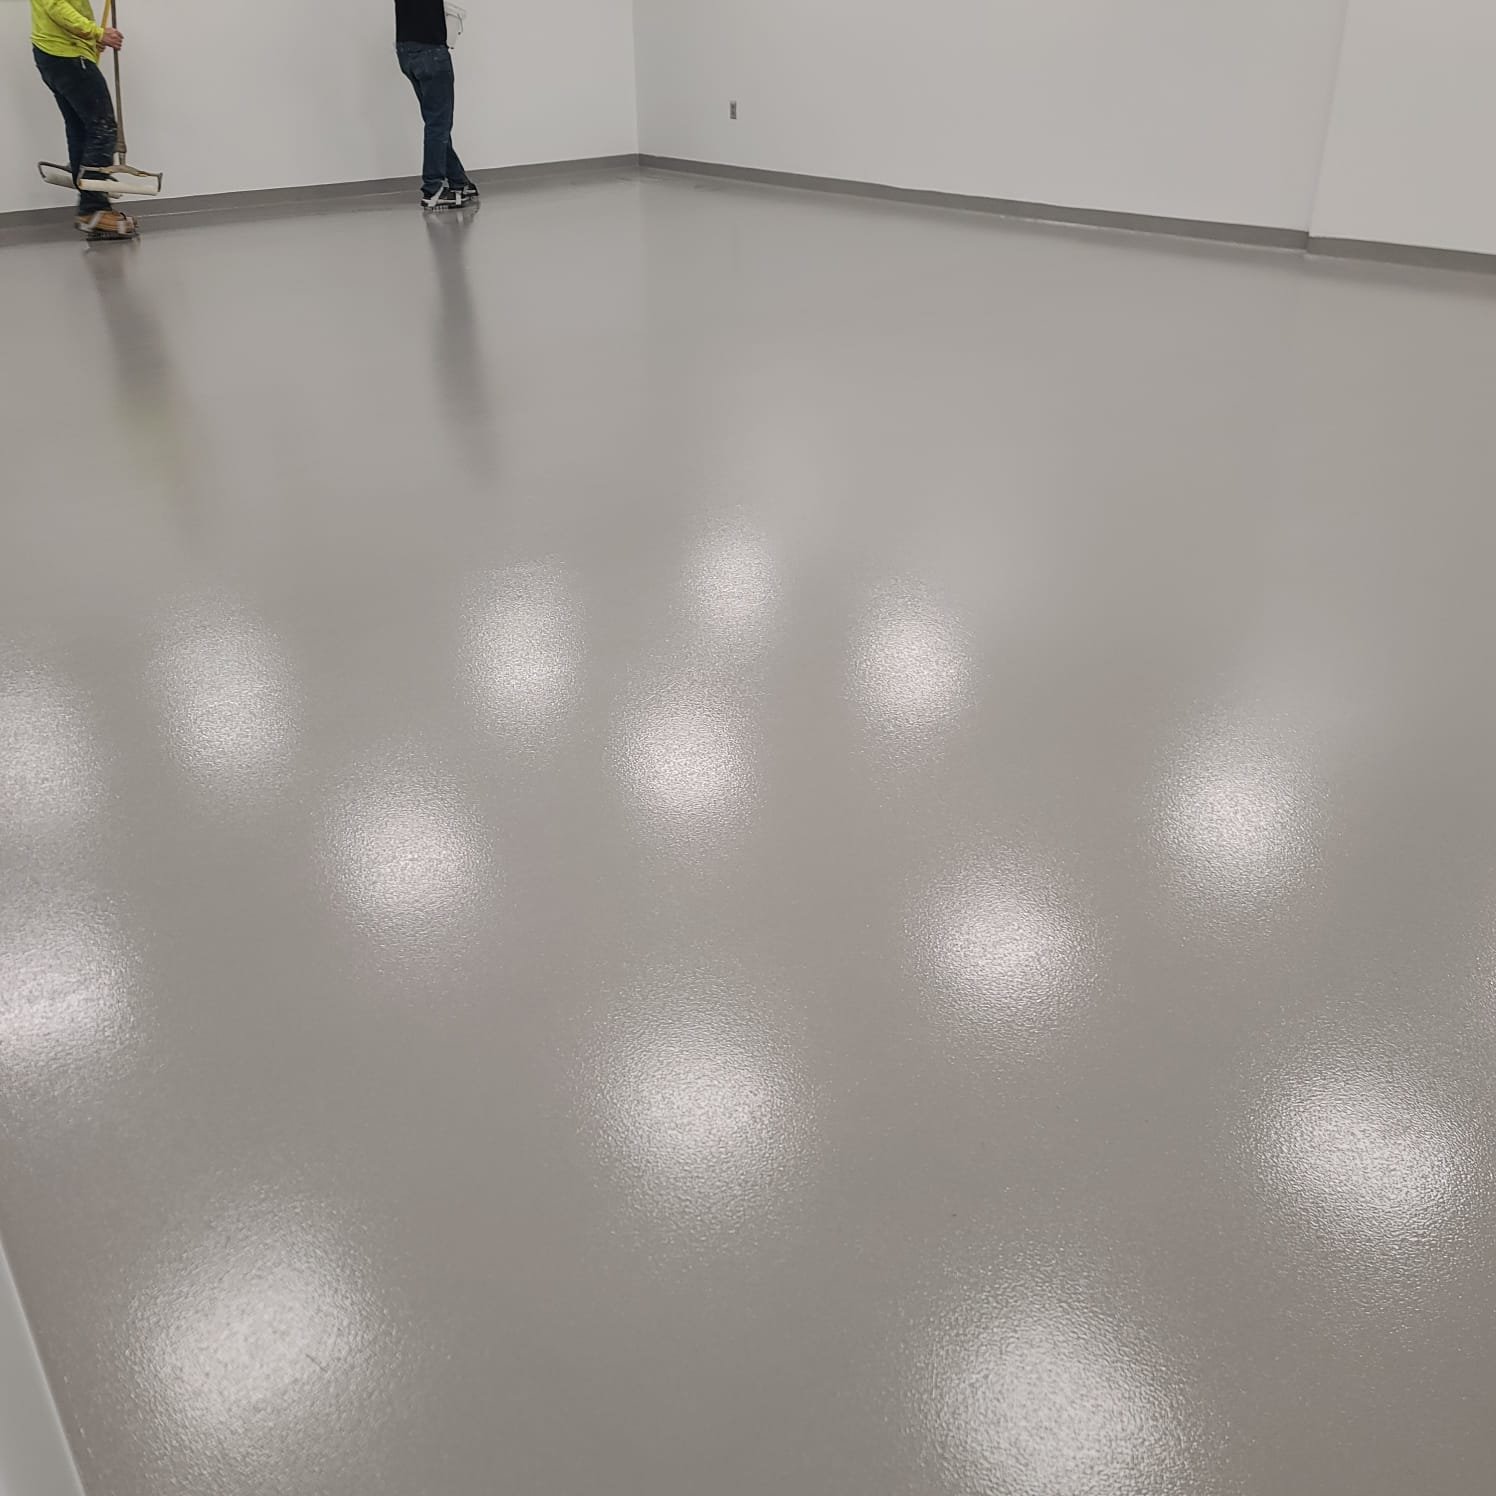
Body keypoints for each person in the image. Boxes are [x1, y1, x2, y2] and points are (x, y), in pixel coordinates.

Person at [31, 0, 136, 240]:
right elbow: (56, 6)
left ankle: (93, 208)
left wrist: (92, 38)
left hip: (57, 54)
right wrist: (97, 32)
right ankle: (93, 209)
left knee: (82, 128)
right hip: (65, 54)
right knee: (103, 127)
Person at [394, 0, 478, 212]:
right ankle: (433, 190)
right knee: (438, 125)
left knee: (435, 122)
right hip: (431, 51)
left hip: (406, 50)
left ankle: (458, 182)